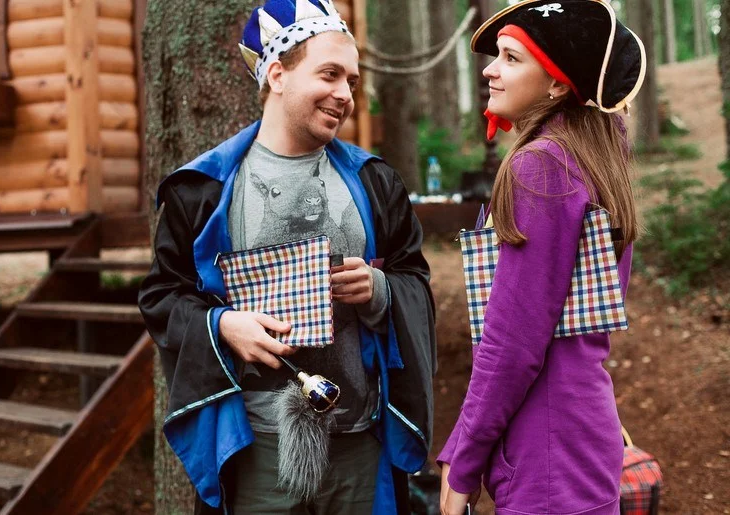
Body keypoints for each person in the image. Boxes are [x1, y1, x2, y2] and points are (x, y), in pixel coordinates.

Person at [138, 1, 436, 513]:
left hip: (359, 449)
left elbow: (416, 281)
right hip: (256, 451)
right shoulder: (204, 190)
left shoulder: (375, 182)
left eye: (351, 81)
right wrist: (223, 326)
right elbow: (162, 297)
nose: (345, 95)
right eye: (329, 74)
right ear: (277, 75)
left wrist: (381, 290)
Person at [437, 1, 645, 514]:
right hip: (582, 437)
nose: (489, 70)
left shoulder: (541, 167)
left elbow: (512, 342)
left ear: (556, 84)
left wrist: (463, 461)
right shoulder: (593, 157)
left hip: (545, 454)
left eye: (511, 58)